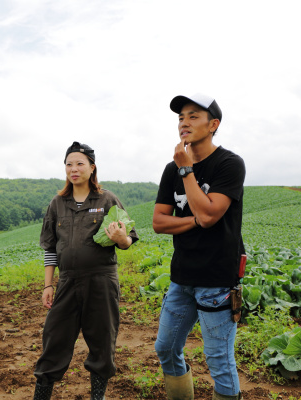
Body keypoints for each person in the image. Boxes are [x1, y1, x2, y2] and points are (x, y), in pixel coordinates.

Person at [152, 94, 245, 400]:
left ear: (213, 124)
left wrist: (186, 170)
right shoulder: (171, 169)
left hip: (217, 278)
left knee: (219, 360)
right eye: (180, 118)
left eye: (193, 116)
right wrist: (195, 220)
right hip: (182, 276)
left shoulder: (229, 164)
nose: (184, 123)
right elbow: (159, 222)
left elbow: (208, 214)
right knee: (165, 348)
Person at [33, 141, 139, 400]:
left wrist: (120, 239)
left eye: (80, 163)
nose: (74, 169)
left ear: (92, 168)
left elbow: (128, 241)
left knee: (102, 340)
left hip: (101, 281)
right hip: (67, 282)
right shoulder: (57, 203)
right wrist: (49, 285)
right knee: (54, 339)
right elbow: (50, 247)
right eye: (69, 164)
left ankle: (97, 397)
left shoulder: (107, 200)